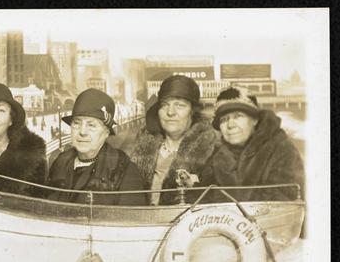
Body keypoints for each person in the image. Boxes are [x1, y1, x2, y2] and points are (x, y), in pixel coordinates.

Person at [200, 86, 305, 202]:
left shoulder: (282, 150)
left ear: (255, 120)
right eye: (224, 119)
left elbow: (282, 202)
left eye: (238, 116)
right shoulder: (217, 156)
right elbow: (205, 198)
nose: (230, 125)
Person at [47, 88, 146, 206]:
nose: (82, 132)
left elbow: (131, 220)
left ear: (106, 133)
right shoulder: (59, 163)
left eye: (91, 125)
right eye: (77, 123)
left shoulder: (124, 171)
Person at [130, 75, 219, 205]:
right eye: (164, 105)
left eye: (180, 105)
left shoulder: (212, 152)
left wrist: (195, 187)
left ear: (192, 112)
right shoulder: (141, 148)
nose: (170, 112)